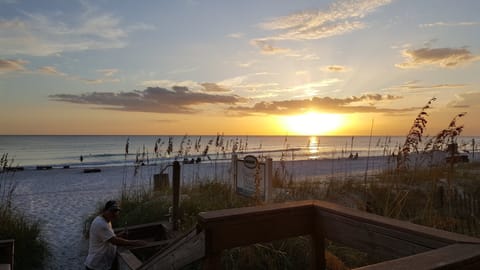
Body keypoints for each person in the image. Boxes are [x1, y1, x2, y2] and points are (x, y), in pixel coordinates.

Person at [85, 200, 147, 270]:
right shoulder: (101, 224)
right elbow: (114, 241)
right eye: (112, 211)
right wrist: (135, 243)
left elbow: (109, 239)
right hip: (96, 266)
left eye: (116, 211)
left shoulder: (106, 220)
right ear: (105, 210)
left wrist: (121, 235)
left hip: (103, 264)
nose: (114, 214)